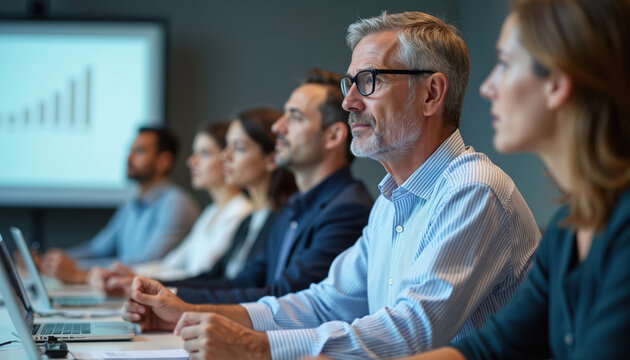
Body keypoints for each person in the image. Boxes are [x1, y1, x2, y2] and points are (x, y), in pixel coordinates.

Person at [125, 13, 541, 359]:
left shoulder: (472, 189)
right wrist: (188, 312)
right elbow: (324, 303)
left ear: (431, 94)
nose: (349, 102)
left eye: (370, 81)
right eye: (350, 83)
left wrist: (259, 348)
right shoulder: (390, 202)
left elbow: (414, 333)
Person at [396, 0, 630, 359]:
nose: (488, 88)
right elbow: (495, 346)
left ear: (556, 83)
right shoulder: (569, 230)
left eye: (504, 64)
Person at [122, 68, 372, 309]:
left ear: (333, 136)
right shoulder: (292, 208)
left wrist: (171, 298)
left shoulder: (347, 209)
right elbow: (243, 282)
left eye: (295, 117)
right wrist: (163, 293)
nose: (278, 128)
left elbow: (287, 296)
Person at [95, 108, 297, 296]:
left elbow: (241, 286)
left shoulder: (262, 216)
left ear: (272, 158)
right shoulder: (248, 220)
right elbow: (212, 277)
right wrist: (144, 283)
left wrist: (158, 290)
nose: (225, 156)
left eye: (238, 148)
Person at [40, 127, 200, 284]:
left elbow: (145, 264)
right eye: (130, 151)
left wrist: (76, 270)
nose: (129, 159)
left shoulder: (176, 204)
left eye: (139, 151)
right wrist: (51, 262)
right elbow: (96, 249)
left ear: (163, 161)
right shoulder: (131, 205)